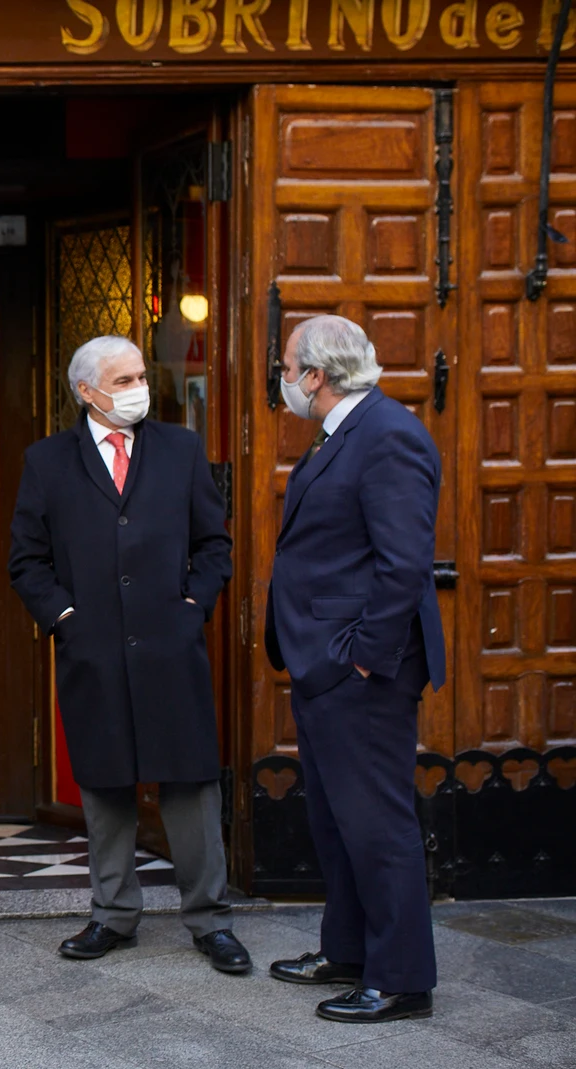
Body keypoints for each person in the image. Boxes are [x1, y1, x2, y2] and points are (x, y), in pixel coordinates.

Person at [8, 335, 249, 975]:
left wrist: (193, 607)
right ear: (86, 391)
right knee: (105, 786)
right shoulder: (47, 461)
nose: (138, 387)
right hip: (93, 652)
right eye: (123, 379)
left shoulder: (181, 449)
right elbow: (26, 561)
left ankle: (211, 921)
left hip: (172, 650)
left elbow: (214, 544)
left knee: (191, 785)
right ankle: (113, 915)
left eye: (141, 375)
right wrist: (66, 621)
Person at [264, 315, 444, 1024]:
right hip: (322, 663)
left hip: (360, 670)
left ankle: (400, 978)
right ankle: (346, 950)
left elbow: (403, 565)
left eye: (286, 367)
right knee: (336, 819)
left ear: (314, 374)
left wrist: (362, 658)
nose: (282, 380)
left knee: (377, 823)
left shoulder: (388, 434)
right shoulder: (342, 431)